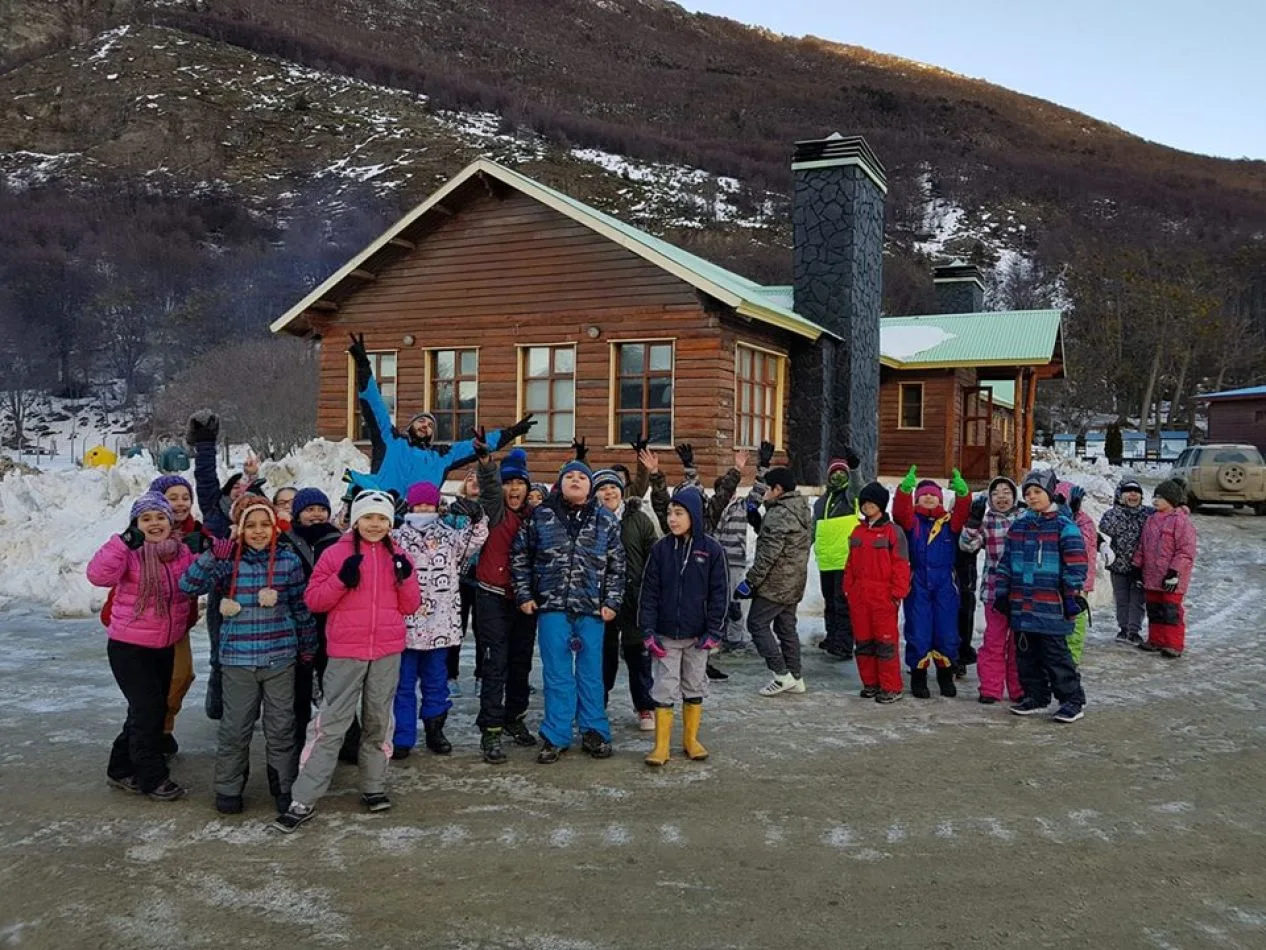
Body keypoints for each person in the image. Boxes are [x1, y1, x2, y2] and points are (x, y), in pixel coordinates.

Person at [275, 490, 421, 833]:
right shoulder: (335, 553)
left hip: (386, 651)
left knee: (378, 722)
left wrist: (406, 576)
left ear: (390, 522)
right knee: (331, 724)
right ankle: (304, 797)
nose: (375, 525)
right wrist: (342, 579)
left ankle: (373, 786)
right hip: (345, 652)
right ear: (356, 519)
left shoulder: (398, 554)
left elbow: (411, 605)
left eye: (382, 519)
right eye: (369, 518)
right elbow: (314, 600)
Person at [180, 494, 317, 815]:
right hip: (237, 661)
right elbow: (188, 585)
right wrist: (213, 556)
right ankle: (229, 787)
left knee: (281, 726)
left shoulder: (288, 561)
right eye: (250, 525)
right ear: (239, 529)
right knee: (235, 727)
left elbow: (300, 607)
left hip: (280, 658)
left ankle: (284, 785)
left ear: (275, 527)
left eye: (265, 524)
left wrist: (308, 646)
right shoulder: (227, 562)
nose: (258, 531)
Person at [511, 460, 626, 764]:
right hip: (552, 606)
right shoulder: (541, 516)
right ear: (560, 483)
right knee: (557, 673)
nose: (576, 481)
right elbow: (521, 557)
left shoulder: (606, 520)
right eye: (569, 477)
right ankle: (556, 734)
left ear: (591, 486)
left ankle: (593, 730)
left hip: (592, 608)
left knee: (591, 673)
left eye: (582, 477)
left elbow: (617, 565)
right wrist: (524, 594)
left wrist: (612, 602)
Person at [87, 492, 197, 801]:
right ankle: (152, 777)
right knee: (148, 709)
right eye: (146, 519)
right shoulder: (129, 552)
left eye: (160, 517)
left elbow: (197, 580)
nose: (154, 523)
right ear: (135, 524)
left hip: (163, 644)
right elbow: (98, 576)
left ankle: (120, 766)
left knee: (149, 709)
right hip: (128, 647)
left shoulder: (179, 552)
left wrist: (208, 551)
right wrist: (122, 542)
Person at [344, 334, 535, 496]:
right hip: (380, 512)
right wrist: (363, 367)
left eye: (429, 426)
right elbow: (375, 405)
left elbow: (476, 445)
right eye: (421, 422)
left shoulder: (441, 456)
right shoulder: (390, 439)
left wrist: (511, 432)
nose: (425, 426)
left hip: (418, 520)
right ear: (410, 426)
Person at [391, 481, 488, 758]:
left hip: (440, 627)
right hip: (406, 627)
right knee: (403, 685)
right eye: (418, 505)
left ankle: (435, 730)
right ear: (409, 506)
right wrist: (386, 513)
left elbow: (477, 538)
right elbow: (360, 534)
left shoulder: (449, 536)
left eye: (429, 505)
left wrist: (477, 516)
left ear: (437, 507)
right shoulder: (395, 537)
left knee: (437, 683)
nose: (424, 509)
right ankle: (402, 737)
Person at [186, 409, 267, 720]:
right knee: (221, 650)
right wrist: (206, 443)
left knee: (254, 654)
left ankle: (250, 705)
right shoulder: (215, 510)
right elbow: (205, 477)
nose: (239, 492)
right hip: (223, 589)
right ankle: (218, 702)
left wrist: (252, 478)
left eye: (243, 489)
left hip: (255, 588)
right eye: (233, 488)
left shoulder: (258, 515)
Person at [639, 488, 729, 766]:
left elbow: (720, 593)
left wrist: (714, 631)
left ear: (694, 516)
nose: (672, 519)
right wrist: (648, 631)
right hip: (666, 636)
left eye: (679, 514)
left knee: (694, 685)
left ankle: (690, 739)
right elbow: (649, 592)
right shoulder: (660, 549)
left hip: (698, 637)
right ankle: (661, 745)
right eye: (669, 513)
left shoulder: (712, 550)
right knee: (665, 687)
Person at [995, 469, 1089, 723]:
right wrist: (1002, 592)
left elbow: (1076, 563)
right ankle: (1036, 696)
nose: (1032, 497)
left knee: (1056, 656)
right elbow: (1005, 563)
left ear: (1049, 493)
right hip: (1023, 606)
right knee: (1026, 656)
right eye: (1028, 493)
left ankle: (1072, 700)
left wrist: (1071, 594)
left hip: (1052, 607)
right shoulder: (1019, 526)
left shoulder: (1063, 526)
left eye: (1037, 492)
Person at [472, 444, 539, 763]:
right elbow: (487, 489)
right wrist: (487, 465)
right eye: (509, 483)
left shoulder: (535, 516)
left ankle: (514, 716)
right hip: (492, 597)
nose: (514, 488)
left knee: (520, 662)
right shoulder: (495, 511)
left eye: (520, 483)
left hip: (524, 601)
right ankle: (491, 728)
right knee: (494, 664)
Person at [892, 466, 972, 699]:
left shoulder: (949, 523)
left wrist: (964, 494)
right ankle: (918, 677)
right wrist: (904, 491)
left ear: (940, 499)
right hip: (918, 583)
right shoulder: (912, 522)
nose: (928, 497)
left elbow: (963, 513)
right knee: (918, 631)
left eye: (933, 495)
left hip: (945, 584)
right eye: (924, 494)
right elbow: (900, 513)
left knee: (947, 632)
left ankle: (945, 675)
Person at [147, 473, 212, 755]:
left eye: (185, 497)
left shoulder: (197, 532)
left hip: (179, 620)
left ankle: (162, 727)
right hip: (145, 624)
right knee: (149, 688)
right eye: (173, 498)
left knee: (181, 677)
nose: (180, 503)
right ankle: (148, 737)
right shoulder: (146, 529)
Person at [733, 466, 813, 697]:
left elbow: (769, 554)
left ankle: (781, 674)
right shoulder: (798, 508)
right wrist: (757, 519)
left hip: (776, 584)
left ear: (778, 489)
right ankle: (796, 677)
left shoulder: (779, 514)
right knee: (786, 627)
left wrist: (750, 582)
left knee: (756, 624)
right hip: (793, 581)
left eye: (768, 488)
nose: (765, 492)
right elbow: (780, 538)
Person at [592, 468, 658, 731]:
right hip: (601, 598)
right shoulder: (591, 519)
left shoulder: (638, 519)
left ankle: (644, 706)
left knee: (638, 655)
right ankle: (597, 705)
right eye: (603, 489)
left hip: (634, 598)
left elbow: (653, 554)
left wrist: (651, 589)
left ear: (622, 490)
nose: (609, 492)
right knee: (602, 655)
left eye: (613, 487)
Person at [281, 488, 343, 748]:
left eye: (321, 509)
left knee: (335, 684)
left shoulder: (338, 541)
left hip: (330, 623)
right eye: (309, 510)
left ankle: (342, 737)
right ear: (297, 514)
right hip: (296, 623)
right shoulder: (286, 540)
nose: (316, 515)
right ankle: (297, 737)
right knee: (298, 685)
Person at [843, 482, 911, 703]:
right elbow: (850, 565)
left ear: (881, 505)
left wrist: (896, 594)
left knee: (885, 645)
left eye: (871, 502)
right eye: (864, 502)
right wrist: (849, 590)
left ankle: (891, 687)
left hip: (883, 598)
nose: (867, 506)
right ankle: (871, 683)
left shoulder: (893, 532)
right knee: (863, 643)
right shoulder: (857, 531)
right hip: (860, 598)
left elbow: (901, 565)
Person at [959, 477, 1024, 704]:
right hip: (994, 592)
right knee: (994, 642)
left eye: (1007, 492)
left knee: (1019, 644)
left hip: (1022, 591)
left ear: (1014, 497)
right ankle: (990, 688)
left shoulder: (1024, 519)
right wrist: (973, 521)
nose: (1002, 497)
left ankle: (1019, 690)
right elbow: (967, 545)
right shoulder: (987, 521)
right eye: (996, 493)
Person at [1134, 478, 1196, 659]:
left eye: (1160, 497)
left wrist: (1174, 571)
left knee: (1171, 610)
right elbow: (1142, 546)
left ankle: (1173, 643)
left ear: (1171, 500)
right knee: (1154, 609)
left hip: (1172, 578)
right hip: (1152, 576)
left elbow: (1185, 551)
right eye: (1155, 497)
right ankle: (1156, 639)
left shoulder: (1181, 522)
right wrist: (1137, 566)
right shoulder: (1151, 520)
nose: (1155, 501)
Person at [812, 455, 860, 660]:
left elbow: (858, 488)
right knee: (829, 601)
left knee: (842, 603)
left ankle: (844, 643)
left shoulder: (849, 498)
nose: (838, 476)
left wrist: (855, 469)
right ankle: (832, 636)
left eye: (842, 473)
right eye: (834, 473)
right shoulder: (821, 503)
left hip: (845, 559)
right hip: (826, 560)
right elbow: (815, 528)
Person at [1098, 477, 1154, 645]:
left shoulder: (1149, 514)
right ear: (1120, 496)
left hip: (1141, 567)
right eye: (1128, 492)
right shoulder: (1112, 515)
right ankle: (1123, 628)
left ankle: (1134, 630)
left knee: (1137, 600)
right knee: (1122, 599)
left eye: (1136, 492)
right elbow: (1104, 528)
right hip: (1119, 565)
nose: (1133, 495)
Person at [1059, 482, 1098, 664]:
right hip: (1059, 581)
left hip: (1080, 582)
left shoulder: (1084, 522)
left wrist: (1070, 519)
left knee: (1076, 619)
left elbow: (1079, 545)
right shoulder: (1053, 521)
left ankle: (1071, 657)